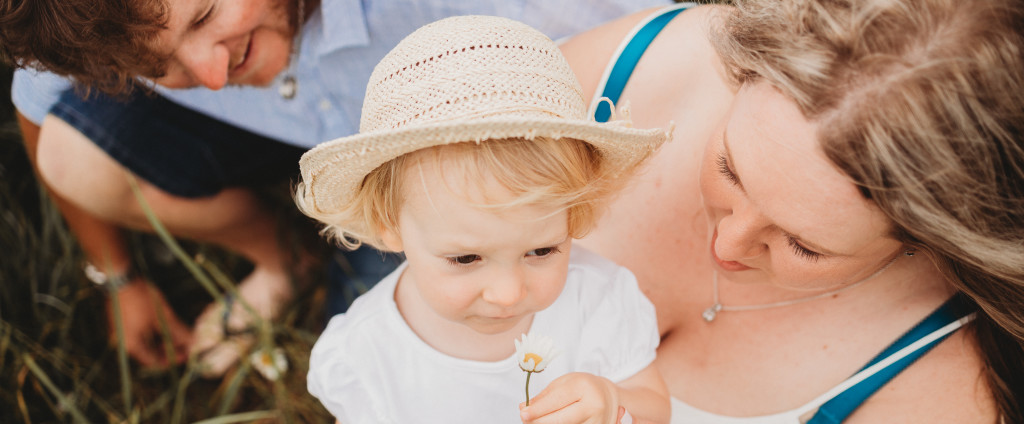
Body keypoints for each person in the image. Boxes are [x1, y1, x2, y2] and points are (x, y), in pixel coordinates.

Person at [542, 0, 1023, 424]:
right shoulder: (643, 72)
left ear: (924, 241)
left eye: (803, 245)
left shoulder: (939, 370)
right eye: (729, 168)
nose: (727, 244)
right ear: (743, 75)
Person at [0, 0, 670, 374]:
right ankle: (281, 257)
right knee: (70, 151)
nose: (209, 74)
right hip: (303, 132)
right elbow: (35, 102)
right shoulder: (101, 25)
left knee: (437, 355)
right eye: (160, 68)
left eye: (205, 17)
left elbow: (655, 53)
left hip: (478, 156)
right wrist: (116, 277)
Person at [298, 16, 671, 424]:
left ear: (574, 217)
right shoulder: (372, 346)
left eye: (542, 250)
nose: (508, 293)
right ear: (388, 225)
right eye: (466, 258)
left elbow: (653, 402)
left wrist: (611, 406)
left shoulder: (596, 300)